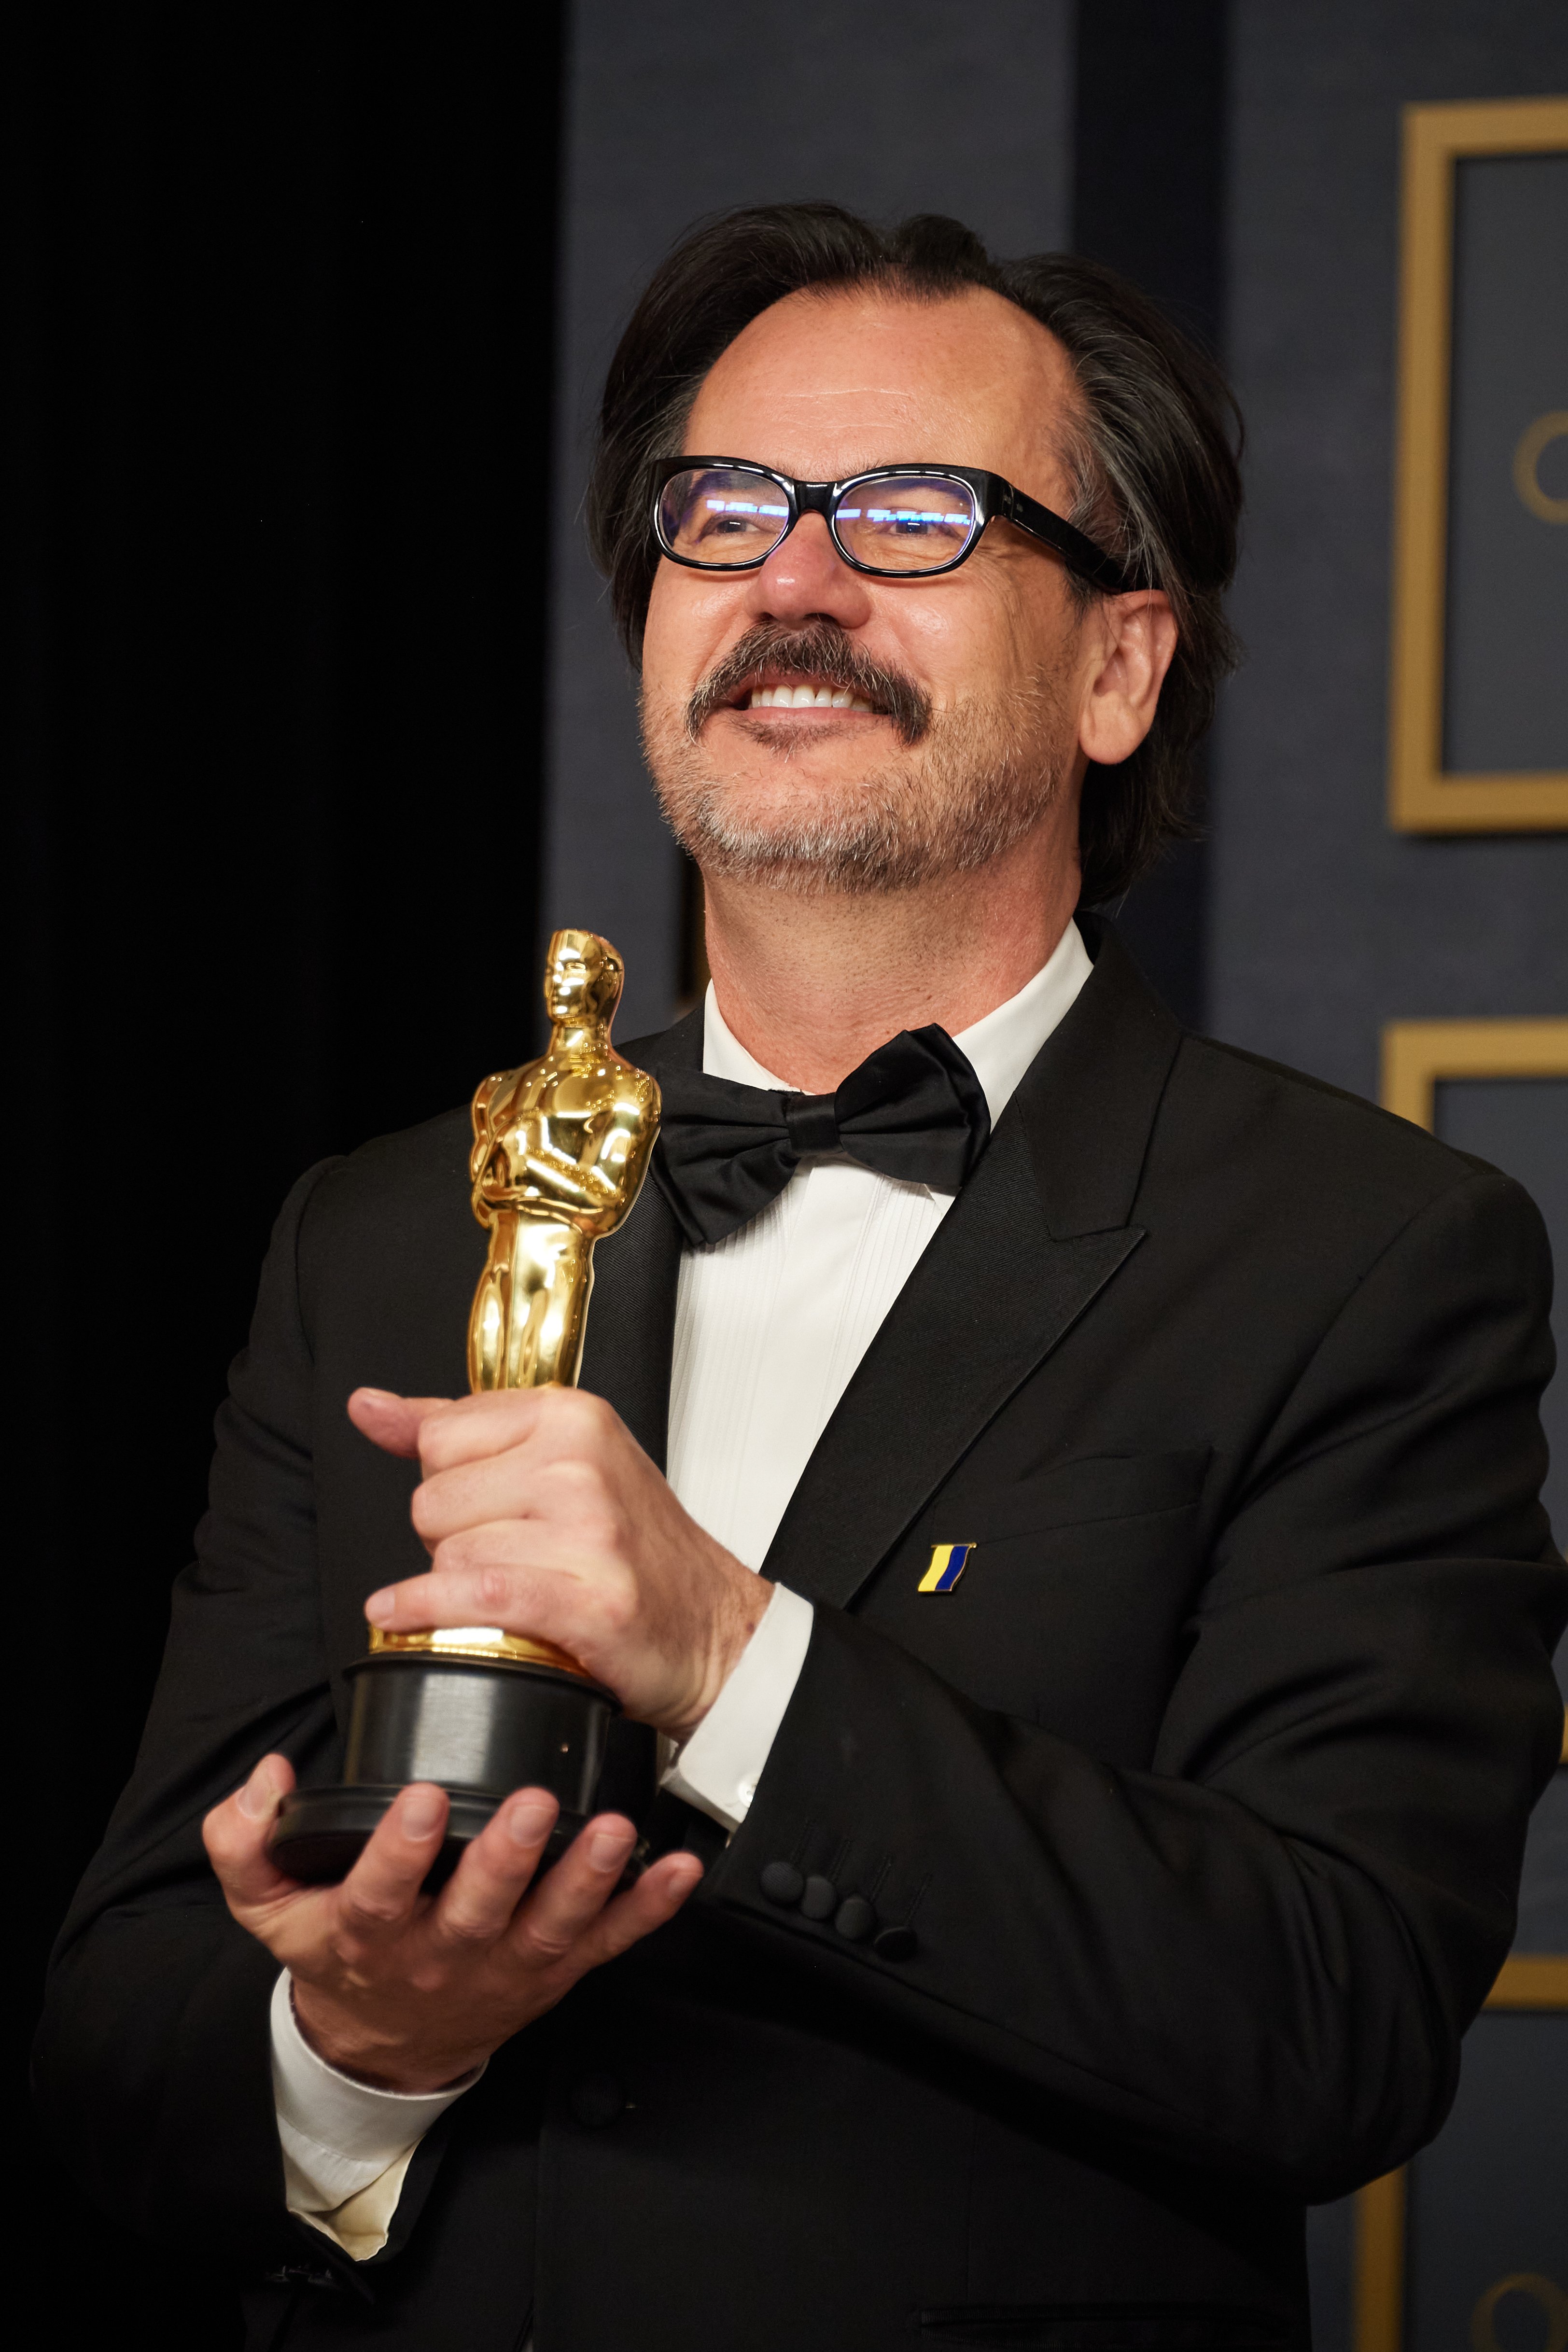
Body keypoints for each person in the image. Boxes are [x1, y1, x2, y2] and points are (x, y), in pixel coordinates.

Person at [35, 204, 1567, 2352]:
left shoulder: (1363, 1253)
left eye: (914, 517)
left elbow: (1333, 2022)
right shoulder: (382, 1230)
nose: (794, 583)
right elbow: (118, 2040)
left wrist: (729, 1658)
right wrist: (364, 2046)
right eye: (726, 512)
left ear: (1118, 669)